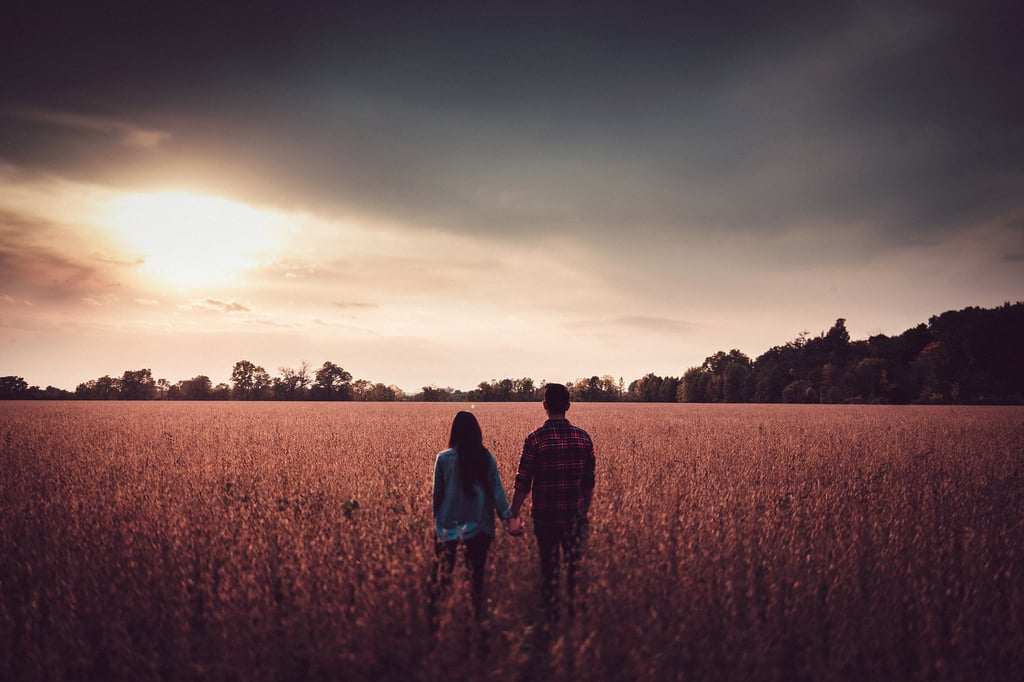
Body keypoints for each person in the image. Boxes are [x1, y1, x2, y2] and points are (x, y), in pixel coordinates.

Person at [509, 383, 595, 622]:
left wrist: (512, 513)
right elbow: (588, 483)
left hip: (544, 518)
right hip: (574, 516)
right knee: (573, 569)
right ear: (568, 406)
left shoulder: (535, 439)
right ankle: (574, 617)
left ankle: (551, 617)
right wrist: (584, 512)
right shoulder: (583, 438)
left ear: (544, 405)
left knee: (549, 568)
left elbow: (523, 482)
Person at [431, 410, 523, 627]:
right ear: (477, 432)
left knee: (441, 579)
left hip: (448, 529)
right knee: (476, 581)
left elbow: (437, 497)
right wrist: (509, 518)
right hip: (480, 529)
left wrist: (437, 525)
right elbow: (497, 493)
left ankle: (434, 624)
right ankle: (476, 625)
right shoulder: (486, 457)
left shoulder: (443, 459)